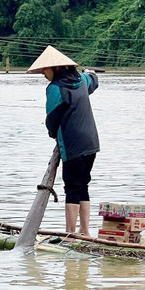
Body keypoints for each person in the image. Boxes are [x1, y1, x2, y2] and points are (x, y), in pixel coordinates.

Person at [27, 45, 100, 237]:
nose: (43, 73)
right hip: (91, 143)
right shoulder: (82, 81)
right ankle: (84, 231)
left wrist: (53, 134)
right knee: (82, 185)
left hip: (72, 145)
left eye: (45, 69)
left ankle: (70, 234)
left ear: (57, 68)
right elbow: (94, 79)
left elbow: (52, 119)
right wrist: (90, 73)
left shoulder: (55, 88)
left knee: (71, 187)